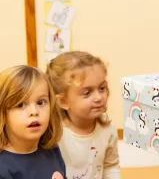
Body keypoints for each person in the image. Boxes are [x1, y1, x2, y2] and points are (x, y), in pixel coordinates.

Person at [0, 66, 66, 179]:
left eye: (41, 102)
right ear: (1, 113)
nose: (34, 111)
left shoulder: (52, 150)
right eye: (21, 105)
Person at [46, 51, 121, 179]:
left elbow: (110, 166)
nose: (98, 97)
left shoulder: (107, 128)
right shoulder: (53, 132)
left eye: (102, 88)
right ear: (63, 101)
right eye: (87, 92)